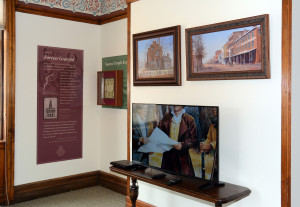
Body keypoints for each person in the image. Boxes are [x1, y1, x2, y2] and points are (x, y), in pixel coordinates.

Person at [158, 105, 197, 176]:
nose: (175, 104)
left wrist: (182, 145)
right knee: (166, 180)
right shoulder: (165, 118)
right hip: (168, 158)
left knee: (184, 182)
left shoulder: (190, 119)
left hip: (183, 159)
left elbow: (193, 139)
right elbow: (159, 134)